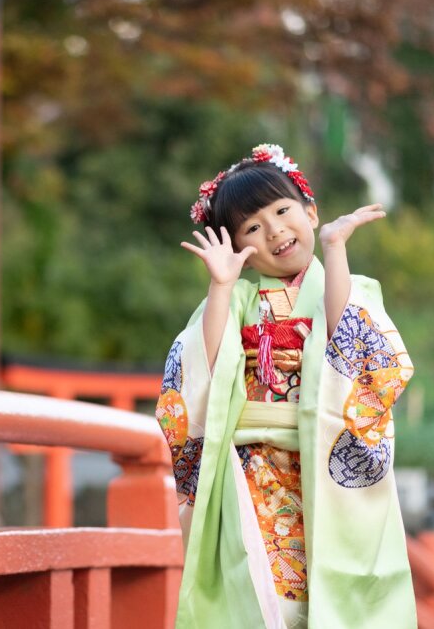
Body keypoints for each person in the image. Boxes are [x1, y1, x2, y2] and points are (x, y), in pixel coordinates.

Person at [156, 144, 416, 628]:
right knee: (262, 596)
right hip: (253, 471)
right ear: (240, 251)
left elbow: (351, 347)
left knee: (335, 593)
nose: (274, 230)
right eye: (252, 227)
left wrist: (336, 249)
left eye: (281, 210)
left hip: (323, 461)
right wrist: (219, 287)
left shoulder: (349, 287)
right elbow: (201, 368)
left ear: (311, 213)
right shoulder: (235, 297)